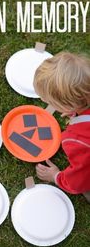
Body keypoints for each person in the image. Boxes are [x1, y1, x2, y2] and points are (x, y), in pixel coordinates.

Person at [33, 51, 90, 202]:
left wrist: (56, 176)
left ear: (68, 105)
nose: (47, 104)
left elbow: (79, 180)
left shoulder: (76, 140)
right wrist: (75, 112)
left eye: (50, 102)